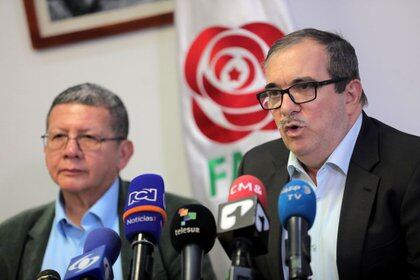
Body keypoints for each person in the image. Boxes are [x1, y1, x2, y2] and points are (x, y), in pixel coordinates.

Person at [238, 28, 420, 280]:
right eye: (274, 93)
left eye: (303, 87)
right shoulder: (255, 167)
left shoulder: (411, 166)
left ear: (350, 95)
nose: (285, 107)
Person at [0, 83, 216, 279]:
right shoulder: (9, 237)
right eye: (58, 137)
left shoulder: (174, 218)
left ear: (123, 153)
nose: (70, 151)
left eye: (88, 137)